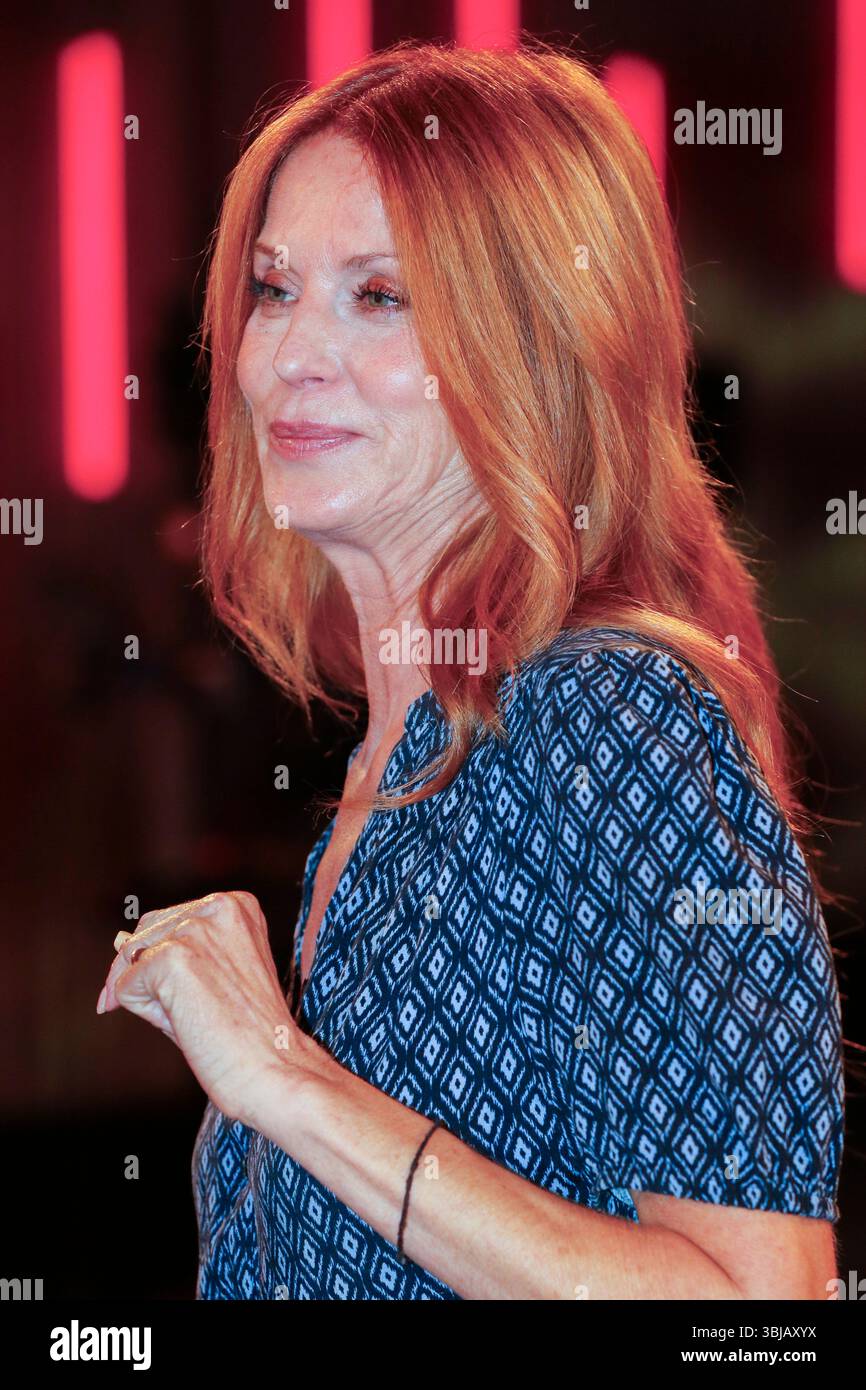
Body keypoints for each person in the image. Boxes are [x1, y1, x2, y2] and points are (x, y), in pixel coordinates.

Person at [96, 40, 845, 1300]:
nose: (288, 355)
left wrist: (285, 1076)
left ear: (537, 346)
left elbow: (756, 1311)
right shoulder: (393, 758)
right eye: (273, 290)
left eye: (378, 296)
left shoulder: (604, 715)